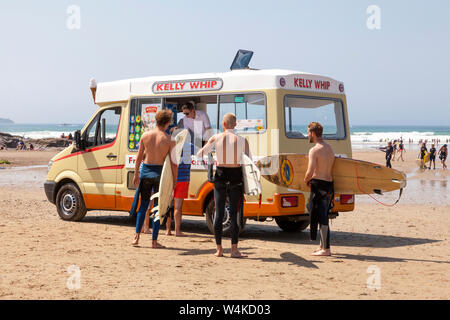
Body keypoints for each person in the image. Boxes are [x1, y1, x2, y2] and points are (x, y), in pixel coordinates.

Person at [197, 113, 250, 258]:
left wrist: (210, 161)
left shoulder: (216, 138)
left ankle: (219, 250)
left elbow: (200, 153)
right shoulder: (242, 140)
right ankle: (234, 250)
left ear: (224, 124)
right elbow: (249, 161)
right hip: (235, 177)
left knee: (219, 213)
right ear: (235, 124)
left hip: (220, 175)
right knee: (234, 215)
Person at [130, 109, 177, 248]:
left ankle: (136, 237)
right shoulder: (169, 140)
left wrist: (136, 173)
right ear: (167, 123)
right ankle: (154, 241)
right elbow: (173, 164)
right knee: (158, 209)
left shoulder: (145, 135)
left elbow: (139, 157)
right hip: (159, 176)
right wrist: (174, 181)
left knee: (143, 206)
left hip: (145, 173)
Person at [304, 122, 335, 257]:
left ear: (313, 133)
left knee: (322, 217)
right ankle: (322, 245)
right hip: (329, 184)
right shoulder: (329, 148)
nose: (307, 135)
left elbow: (310, 171)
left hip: (318, 185)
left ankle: (326, 249)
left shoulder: (314, 150)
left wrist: (306, 180)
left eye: (308, 132)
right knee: (323, 215)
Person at [166, 141, 194, 237]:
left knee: (169, 206)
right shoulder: (188, 146)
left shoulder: (169, 144)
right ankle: (177, 231)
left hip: (170, 178)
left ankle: (168, 230)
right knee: (178, 207)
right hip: (182, 179)